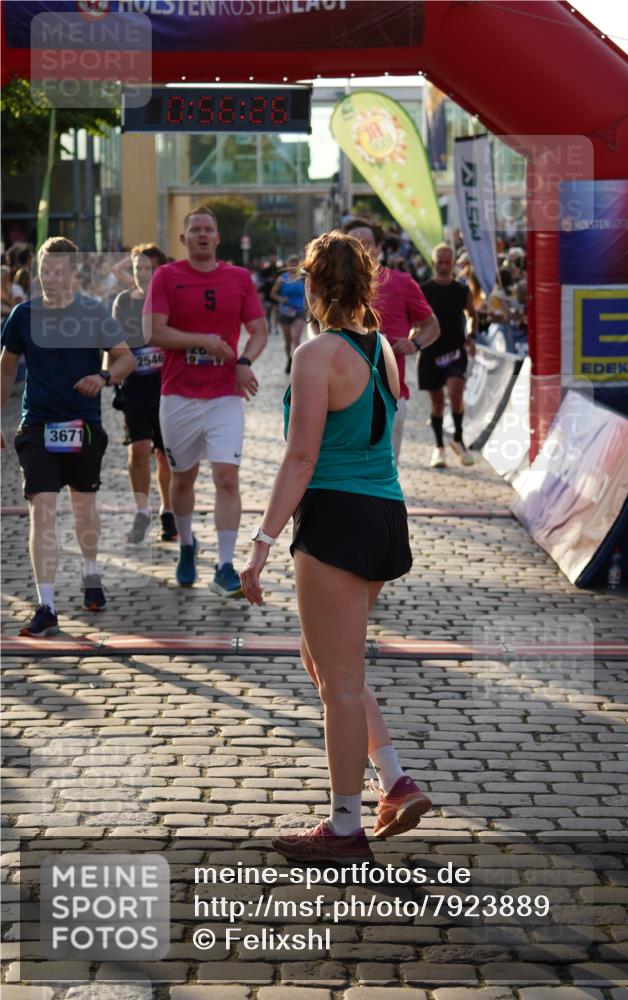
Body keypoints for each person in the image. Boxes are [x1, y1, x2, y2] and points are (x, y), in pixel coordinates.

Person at [241, 230, 432, 861]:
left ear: (312, 284)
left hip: (338, 517)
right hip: (384, 513)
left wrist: (263, 541)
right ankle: (395, 780)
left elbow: (301, 458)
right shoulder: (381, 346)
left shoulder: (317, 352)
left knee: (340, 683)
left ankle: (345, 827)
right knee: (325, 661)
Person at [0, 237, 136, 636]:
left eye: (59, 272)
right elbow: (6, 369)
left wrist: (104, 377)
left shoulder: (93, 313)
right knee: (42, 510)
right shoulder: (23, 315)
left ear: (75, 273)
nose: (51, 279)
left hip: (83, 425)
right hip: (38, 424)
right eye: (45, 272)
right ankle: (47, 604)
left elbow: (125, 357)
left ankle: (91, 574)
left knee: (83, 509)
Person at [143, 206, 268, 597]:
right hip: (178, 393)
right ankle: (186, 546)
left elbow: (259, 330)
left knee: (227, 478)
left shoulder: (238, 278)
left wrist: (243, 360)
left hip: (224, 396)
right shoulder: (166, 276)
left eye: (207, 229)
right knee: (183, 478)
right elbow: (152, 332)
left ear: (217, 238)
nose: (201, 234)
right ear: (183, 239)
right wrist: (201, 340)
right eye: (194, 229)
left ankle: (225, 566)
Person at [342, 219, 439, 463]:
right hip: (342, 396)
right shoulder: (336, 287)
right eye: (354, 244)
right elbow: (315, 326)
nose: (362, 250)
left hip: (389, 396)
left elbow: (432, 326)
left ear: (379, 247)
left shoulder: (402, 282)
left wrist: (414, 344)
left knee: (385, 471)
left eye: (367, 244)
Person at [112, 242, 177, 544]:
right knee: (139, 450)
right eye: (137, 268)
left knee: (165, 456)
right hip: (134, 388)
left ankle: (168, 510)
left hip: (167, 388)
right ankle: (142, 512)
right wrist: (108, 372)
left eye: (147, 268)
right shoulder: (123, 301)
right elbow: (112, 341)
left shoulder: (171, 300)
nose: (140, 274)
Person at [419, 243, 478, 468]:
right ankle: (439, 448)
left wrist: (471, 335)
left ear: (453, 264)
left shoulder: (461, 290)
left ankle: (458, 439)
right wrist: (415, 334)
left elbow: (472, 315)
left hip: (455, 350)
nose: (444, 266)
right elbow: (416, 317)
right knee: (436, 402)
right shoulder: (423, 290)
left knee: (455, 392)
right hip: (430, 351)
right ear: (433, 264)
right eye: (440, 262)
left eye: (448, 262)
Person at [270, 254, 306, 373]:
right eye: (292, 263)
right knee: (288, 340)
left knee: (296, 338)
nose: (294, 266)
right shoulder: (282, 278)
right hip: (285, 311)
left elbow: (310, 293)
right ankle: (289, 359)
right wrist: (281, 299)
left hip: (299, 311)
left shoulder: (302, 278)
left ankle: (297, 363)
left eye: (296, 264)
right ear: (287, 265)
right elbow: (273, 294)